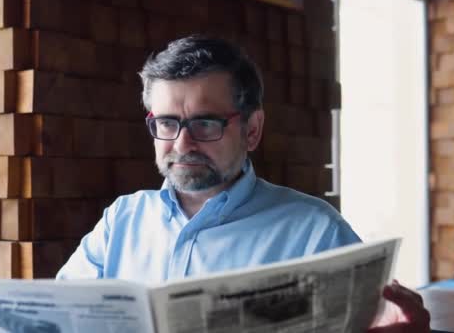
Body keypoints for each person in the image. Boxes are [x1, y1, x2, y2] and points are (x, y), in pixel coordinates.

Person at [56, 35, 430, 332]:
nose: (183, 144)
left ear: (252, 130)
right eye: (167, 123)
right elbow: (60, 316)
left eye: (205, 124)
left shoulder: (315, 232)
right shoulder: (121, 219)